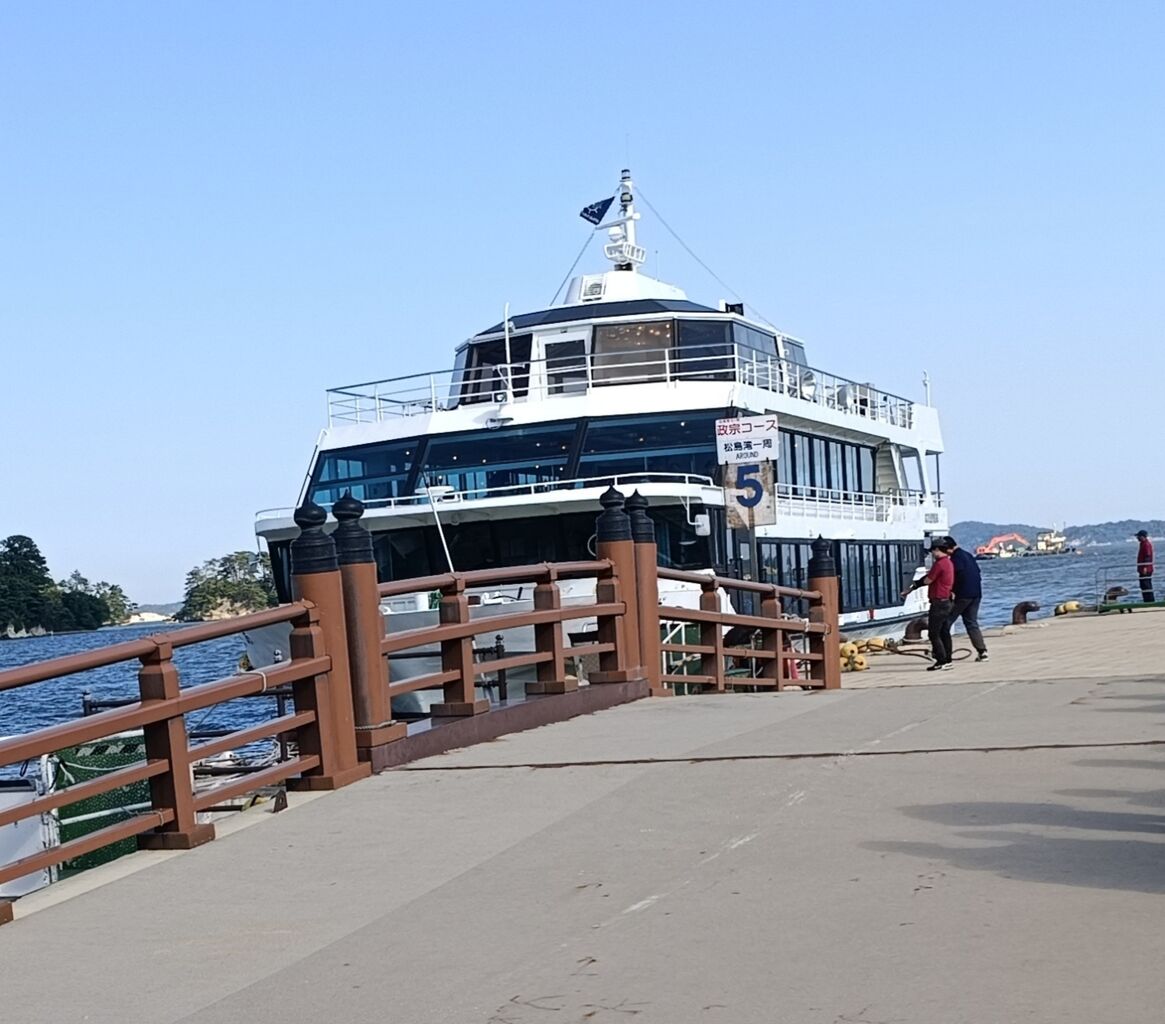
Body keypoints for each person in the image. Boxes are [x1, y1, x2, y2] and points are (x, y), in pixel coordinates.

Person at [902, 539, 955, 670]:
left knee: (934, 633)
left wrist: (912, 587)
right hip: (947, 601)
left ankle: (941, 661)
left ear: (937, 550)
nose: (932, 554)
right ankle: (948, 660)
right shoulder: (949, 563)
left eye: (933, 551)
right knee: (944, 632)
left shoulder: (940, 564)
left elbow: (927, 580)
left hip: (938, 602)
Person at [941, 536, 988, 661]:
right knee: (971, 622)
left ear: (948, 548)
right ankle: (982, 651)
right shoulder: (968, 555)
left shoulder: (955, 559)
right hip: (976, 593)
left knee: (946, 622)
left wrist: (951, 591)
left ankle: (943, 653)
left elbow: (953, 577)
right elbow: (977, 572)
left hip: (963, 595)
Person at [1136, 529, 1154, 603]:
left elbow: (1147, 556)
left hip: (1146, 569)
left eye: (1138, 536)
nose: (1137, 538)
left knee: (1146, 585)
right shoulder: (1142, 544)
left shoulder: (1146, 544)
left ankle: (1150, 601)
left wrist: (1145, 567)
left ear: (1142, 536)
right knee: (1143, 585)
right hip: (1142, 568)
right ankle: (1147, 600)